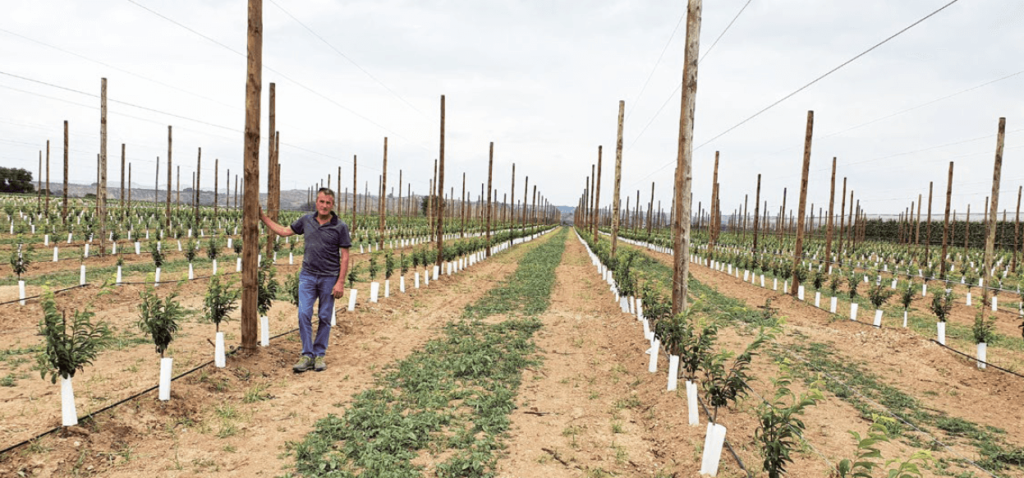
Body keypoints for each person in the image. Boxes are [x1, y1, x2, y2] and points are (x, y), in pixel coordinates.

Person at [260, 187, 351, 373]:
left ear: (332, 205)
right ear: (316, 202)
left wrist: (340, 281)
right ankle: (306, 354)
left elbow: (345, 256)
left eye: (328, 203)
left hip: (329, 277)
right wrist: (263, 218)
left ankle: (319, 355)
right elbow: (285, 231)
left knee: (325, 317)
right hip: (308, 276)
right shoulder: (306, 220)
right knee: (304, 314)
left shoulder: (340, 227)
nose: (324, 206)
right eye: (321, 201)